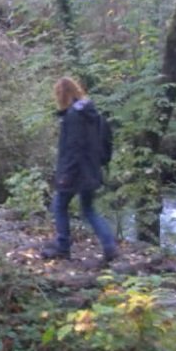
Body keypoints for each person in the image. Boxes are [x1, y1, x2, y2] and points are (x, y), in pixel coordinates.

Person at [41, 75, 117, 263]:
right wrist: (101, 163)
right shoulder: (92, 113)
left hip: (76, 171)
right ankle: (109, 245)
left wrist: (65, 174)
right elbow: (106, 140)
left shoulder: (73, 117)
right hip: (91, 170)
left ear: (62, 94)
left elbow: (73, 148)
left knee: (59, 206)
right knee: (88, 209)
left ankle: (63, 246)